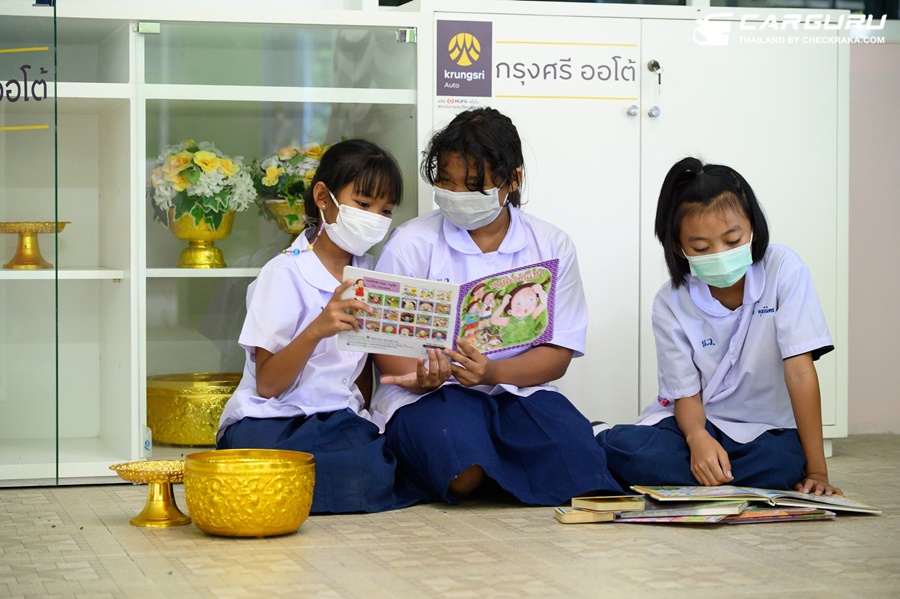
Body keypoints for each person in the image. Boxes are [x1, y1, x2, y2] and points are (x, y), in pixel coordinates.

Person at [372, 107, 622, 505]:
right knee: (463, 473)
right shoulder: (411, 243)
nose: (457, 195)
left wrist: (494, 372)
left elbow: (558, 352)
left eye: (473, 186)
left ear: (513, 180)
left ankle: (512, 459)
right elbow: (384, 344)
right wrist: (423, 376)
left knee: (583, 469)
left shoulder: (551, 245)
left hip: (518, 389)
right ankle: (503, 465)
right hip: (433, 395)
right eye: (446, 181)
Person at [597, 157, 841, 496]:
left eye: (732, 240)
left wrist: (817, 471)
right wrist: (698, 439)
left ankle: (708, 474)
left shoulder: (784, 269)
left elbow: (799, 372)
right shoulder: (670, 301)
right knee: (635, 453)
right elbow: (686, 395)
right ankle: (605, 437)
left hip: (765, 430)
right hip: (696, 422)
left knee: (782, 465)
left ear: (752, 227)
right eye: (701, 248)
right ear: (679, 247)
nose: (720, 255)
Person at [216, 139, 425, 513]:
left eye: (385, 211)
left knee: (368, 467)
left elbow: (361, 372)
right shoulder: (283, 272)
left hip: (336, 417)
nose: (375, 218)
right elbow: (268, 385)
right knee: (268, 462)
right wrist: (317, 329)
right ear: (323, 198)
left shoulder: (373, 275)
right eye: (363, 204)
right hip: (272, 418)